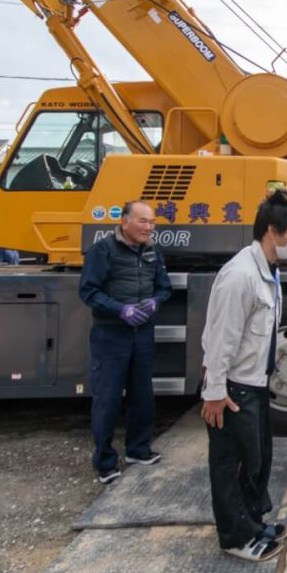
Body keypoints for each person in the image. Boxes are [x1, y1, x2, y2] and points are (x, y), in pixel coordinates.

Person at [201, 188, 287, 561]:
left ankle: (253, 521)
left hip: (256, 385)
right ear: (272, 231)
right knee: (231, 465)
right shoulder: (241, 276)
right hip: (233, 389)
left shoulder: (268, 271)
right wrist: (214, 390)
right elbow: (220, 336)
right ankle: (235, 537)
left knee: (256, 459)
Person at [78, 200, 171, 484]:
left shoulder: (153, 251)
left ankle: (138, 449)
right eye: (142, 221)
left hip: (142, 333)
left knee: (142, 393)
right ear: (125, 222)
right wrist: (120, 309)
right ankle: (105, 461)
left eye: (152, 222)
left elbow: (164, 287)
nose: (148, 227)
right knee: (107, 398)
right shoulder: (103, 250)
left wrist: (155, 302)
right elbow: (88, 291)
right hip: (111, 334)